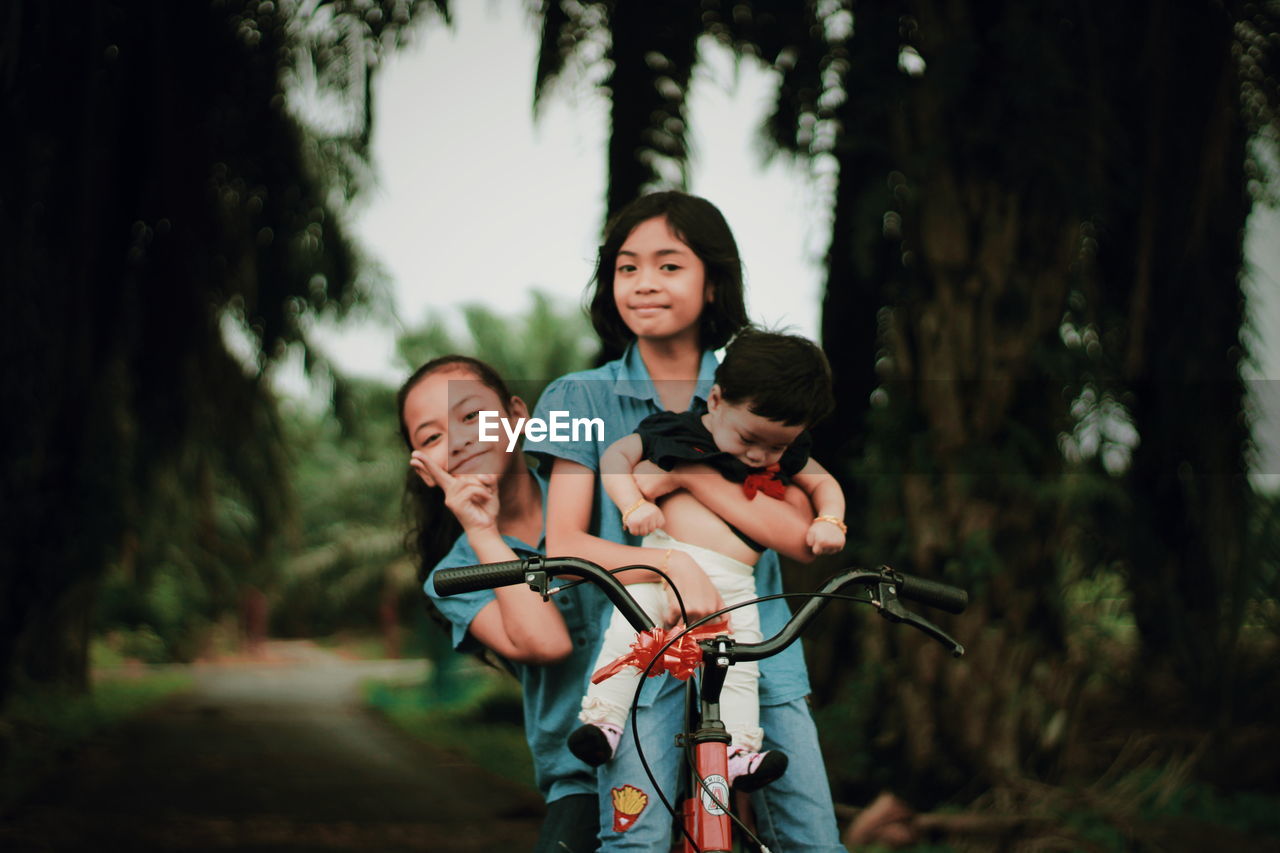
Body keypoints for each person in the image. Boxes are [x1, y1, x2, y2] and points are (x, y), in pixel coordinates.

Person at [531, 191, 848, 851]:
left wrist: (686, 474)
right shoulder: (572, 397)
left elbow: (796, 533)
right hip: (645, 645)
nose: (644, 282)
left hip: (756, 650)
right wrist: (668, 561)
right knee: (636, 839)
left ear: (713, 283)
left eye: (669, 265)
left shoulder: (764, 385)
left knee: (813, 838)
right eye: (627, 267)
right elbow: (564, 542)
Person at [568, 328, 847, 794]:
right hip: (660, 569)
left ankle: (737, 751)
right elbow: (619, 457)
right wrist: (633, 505)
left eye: (776, 447)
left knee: (739, 666)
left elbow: (825, 484)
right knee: (628, 638)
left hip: (735, 585)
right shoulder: (675, 429)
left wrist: (831, 521)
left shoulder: (785, 451)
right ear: (715, 400)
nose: (760, 456)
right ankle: (604, 723)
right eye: (749, 439)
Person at [399, 355, 602, 853]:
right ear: (425, 470)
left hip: (684, 741)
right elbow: (547, 643)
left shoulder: (603, 496)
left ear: (517, 416)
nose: (461, 438)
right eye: (431, 437)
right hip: (584, 779)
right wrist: (483, 531)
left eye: (471, 416)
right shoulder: (454, 576)